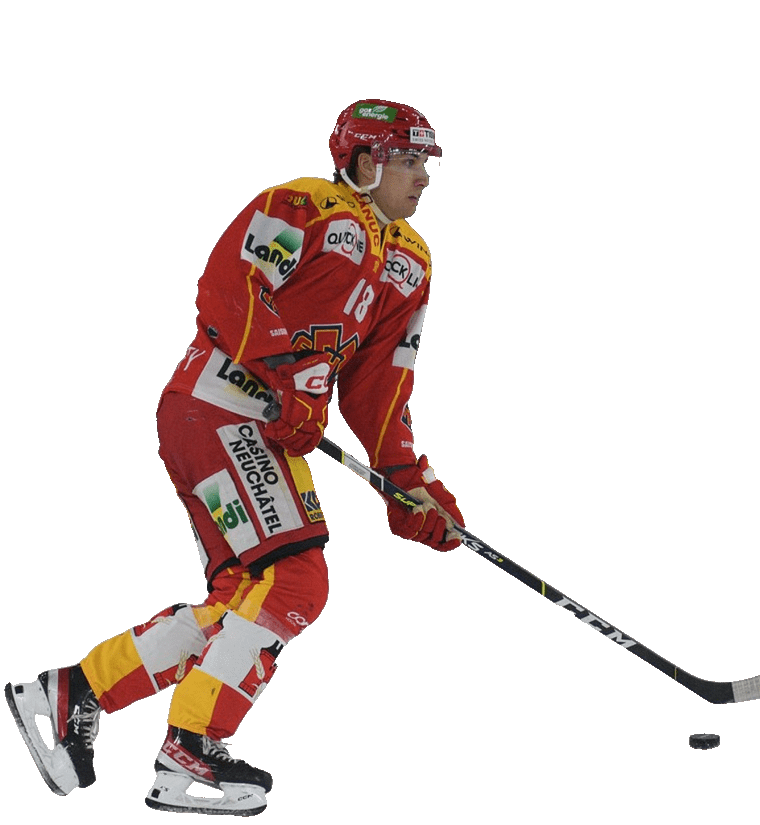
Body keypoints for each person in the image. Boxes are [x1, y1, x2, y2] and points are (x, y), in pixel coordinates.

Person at [4, 99, 463, 816]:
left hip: (255, 429)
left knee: (244, 597)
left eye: (425, 161)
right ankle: (190, 746)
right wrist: (288, 375)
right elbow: (229, 286)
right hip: (216, 407)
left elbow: (380, 386)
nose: (423, 176)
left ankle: (74, 692)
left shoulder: (413, 262)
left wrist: (410, 484)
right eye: (407, 160)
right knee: (294, 581)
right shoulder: (303, 205)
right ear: (364, 162)